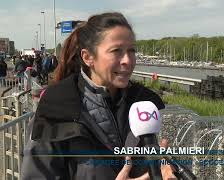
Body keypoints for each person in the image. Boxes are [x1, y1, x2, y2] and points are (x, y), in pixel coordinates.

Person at [21, 12, 176, 180]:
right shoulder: (55, 111)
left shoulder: (144, 105)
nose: (128, 60)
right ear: (88, 57)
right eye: (116, 51)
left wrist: (166, 172)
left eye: (131, 51)